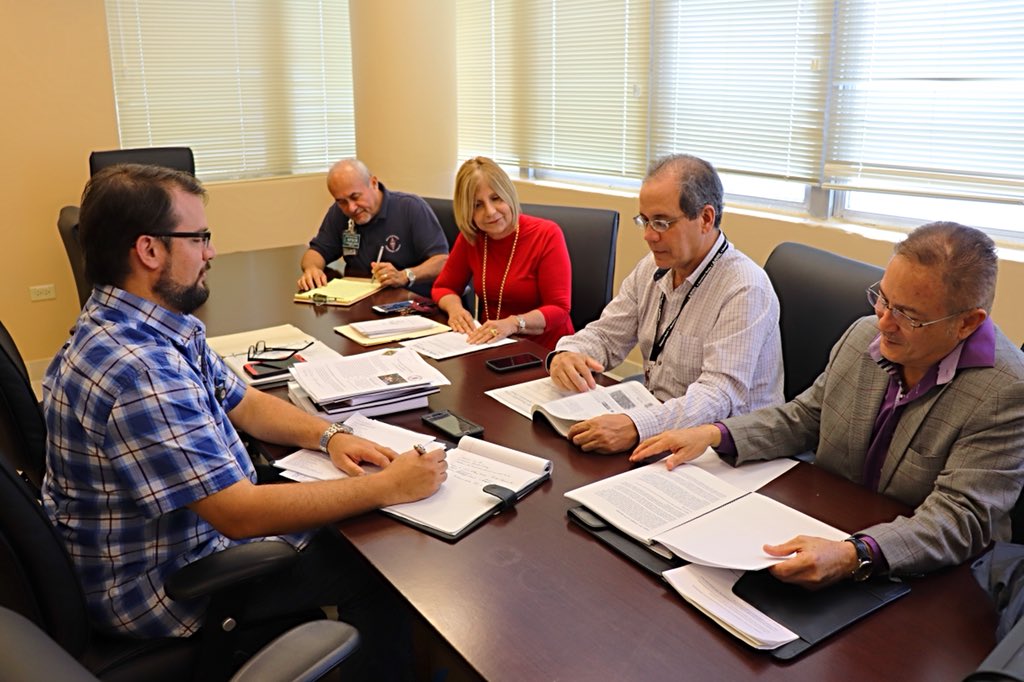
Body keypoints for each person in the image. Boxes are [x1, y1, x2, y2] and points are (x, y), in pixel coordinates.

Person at [42, 164, 447, 680]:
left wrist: (331, 435)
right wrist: (389, 487)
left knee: (349, 516)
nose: (211, 252)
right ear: (149, 251)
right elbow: (239, 513)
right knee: (375, 567)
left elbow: (246, 402)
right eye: (199, 237)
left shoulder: (144, 322)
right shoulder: (139, 371)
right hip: (169, 584)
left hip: (178, 542)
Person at [632, 222, 1024, 586]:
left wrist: (855, 555)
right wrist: (715, 434)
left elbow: (959, 519)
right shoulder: (863, 336)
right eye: (884, 299)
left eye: (908, 315)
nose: (884, 322)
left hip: (926, 576)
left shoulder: (1004, 392)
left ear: (968, 323)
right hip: (829, 524)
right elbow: (807, 416)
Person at [548, 154, 783, 454]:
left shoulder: (745, 287)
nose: (648, 235)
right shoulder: (652, 267)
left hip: (726, 450)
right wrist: (569, 353)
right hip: (661, 421)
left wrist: (636, 426)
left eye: (661, 222)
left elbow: (717, 397)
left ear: (706, 219)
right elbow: (607, 335)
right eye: (644, 221)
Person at [431, 156, 574, 350]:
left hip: (545, 351)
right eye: (477, 205)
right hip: (491, 345)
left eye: (496, 198)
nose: (490, 212)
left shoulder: (547, 234)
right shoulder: (472, 238)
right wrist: (455, 310)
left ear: (508, 194)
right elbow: (443, 287)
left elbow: (559, 309)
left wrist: (513, 323)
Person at [298, 158, 449, 297]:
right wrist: (312, 269)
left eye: (355, 197)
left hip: (411, 302)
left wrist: (404, 275)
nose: (351, 208)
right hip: (361, 301)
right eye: (342, 201)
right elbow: (316, 251)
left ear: (374, 183)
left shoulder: (410, 208)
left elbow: (442, 261)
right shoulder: (339, 213)